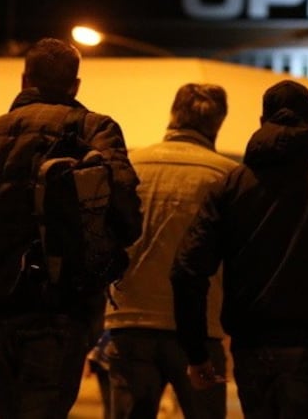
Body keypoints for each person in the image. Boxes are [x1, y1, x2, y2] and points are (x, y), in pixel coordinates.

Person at [0, 37, 143, 418]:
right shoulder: (96, 130)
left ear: (24, 79)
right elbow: (126, 213)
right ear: (75, 85)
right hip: (62, 309)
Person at [171, 79, 308, 418]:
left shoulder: (231, 185)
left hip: (250, 346)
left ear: (261, 122)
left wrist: (196, 353)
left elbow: (187, 269)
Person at [103, 83, 237, 419]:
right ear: (218, 122)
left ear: (173, 115)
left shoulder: (131, 166)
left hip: (129, 321)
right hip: (200, 329)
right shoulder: (226, 176)